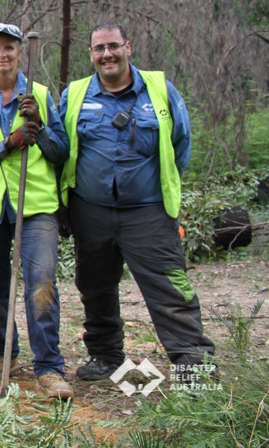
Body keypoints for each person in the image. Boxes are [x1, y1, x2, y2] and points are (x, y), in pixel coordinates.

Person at [59, 22, 215, 381]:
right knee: (95, 287)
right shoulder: (76, 94)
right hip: (91, 210)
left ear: (128, 47)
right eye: (99, 49)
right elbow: (63, 148)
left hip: (148, 213)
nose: (107, 54)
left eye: (113, 46)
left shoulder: (160, 91)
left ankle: (195, 368)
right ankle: (106, 356)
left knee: (170, 288)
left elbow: (180, 145)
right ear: (91, 55)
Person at [0, 23, 73, 399]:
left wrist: (38, 127)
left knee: (41, 283)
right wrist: (8, 144)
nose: (2, 54)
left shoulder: (39, 94)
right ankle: (2, 353)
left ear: (20, 52)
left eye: (9, 47)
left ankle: (49, 368)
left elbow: (61, 153)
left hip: (35, 205)